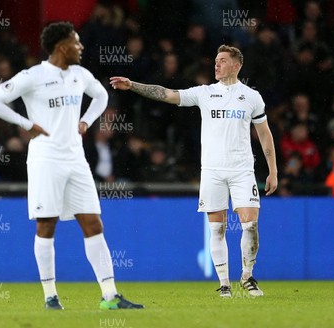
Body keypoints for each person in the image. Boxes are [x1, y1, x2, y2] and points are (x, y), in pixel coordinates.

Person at [0, 22, 143, 310]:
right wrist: (26, 123)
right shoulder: (34, 76)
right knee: (47, 224)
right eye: (76, 42)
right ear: (61, 46)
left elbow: (102, 96)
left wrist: (86, 121)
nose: (81, 48)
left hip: (76, 159)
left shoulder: (80, 75)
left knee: (93, 222)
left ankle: (110, 296)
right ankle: (50, 297)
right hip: (46, 159)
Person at [110, 45, 278, 297]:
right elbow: (167, 94)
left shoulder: (252, 97)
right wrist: (133, 84)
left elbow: (264, 134)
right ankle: (224, 284)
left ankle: (247, 276)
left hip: (242, 169)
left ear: (237, 65)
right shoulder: (205, 93)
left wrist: (273, 170)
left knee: (250, 224)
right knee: (217, 229)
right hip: (211, 171)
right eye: (215, 60)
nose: (216, 65)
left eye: (222, 60)